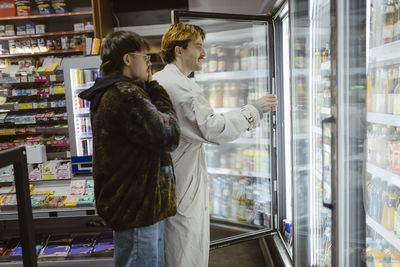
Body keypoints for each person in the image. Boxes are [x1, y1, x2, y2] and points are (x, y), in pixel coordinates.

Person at [153, 23, 278, 267]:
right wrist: (255, 109)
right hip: (181, 184)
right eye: (198, 46)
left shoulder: (165, 79)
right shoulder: (178, 87)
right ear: (179, 50)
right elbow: (214, 129)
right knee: (183, 253)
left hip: (176, 179)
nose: (204, 53)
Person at [78, 31, 180, 267]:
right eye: (145, 57)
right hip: (137, 208)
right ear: (127, 59)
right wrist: (155, 88)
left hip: (138, 207)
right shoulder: (124, 94)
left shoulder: (117, 92)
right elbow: (168, 135)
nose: (148, 64)